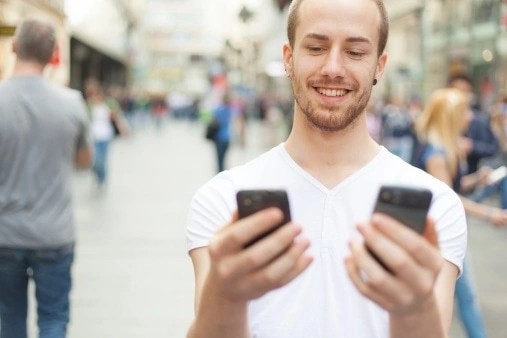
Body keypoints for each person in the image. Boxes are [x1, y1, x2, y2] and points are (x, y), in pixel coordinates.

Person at [185, 1, 467, 337]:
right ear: (289, 58)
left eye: (355, 52)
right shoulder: (222, 199)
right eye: (316, 48)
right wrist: (225, 293)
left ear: (379, 65)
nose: (333, 67)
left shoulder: (438, 205)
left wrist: (414, 308)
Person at [0, 18, 92, 338]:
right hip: (54, 233)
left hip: (5, 234)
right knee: (53, 318)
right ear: (54, 53)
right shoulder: (72, 103)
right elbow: (84, 161)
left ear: (13, 47)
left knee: (9, 318)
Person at [412, 88, 507, 338]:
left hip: (440, 231)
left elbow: (452, 187)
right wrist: (488, 214)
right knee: (464, 297)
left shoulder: (442, 147)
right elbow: (449, 198)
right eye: (464, 111)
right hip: (439, 234)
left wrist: (477, 179)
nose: (469, 117)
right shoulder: (436, 153)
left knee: (459, 297)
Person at [84, 79, 128, 189]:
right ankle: (98, 176)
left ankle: (102, 180)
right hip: (92, 135)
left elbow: (117, 117)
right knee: (94, 160)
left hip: (105, 135)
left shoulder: (109, 102)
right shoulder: (89, 104)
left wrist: (123, 129)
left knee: (102, 159)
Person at [211, 91, 233, 173]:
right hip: (227, 137)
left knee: (219, 159)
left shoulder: (218, 110)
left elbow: (214, 121)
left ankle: (219, 174)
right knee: (224, 158)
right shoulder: (230, 110)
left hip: (219, 137)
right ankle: (223, 172)